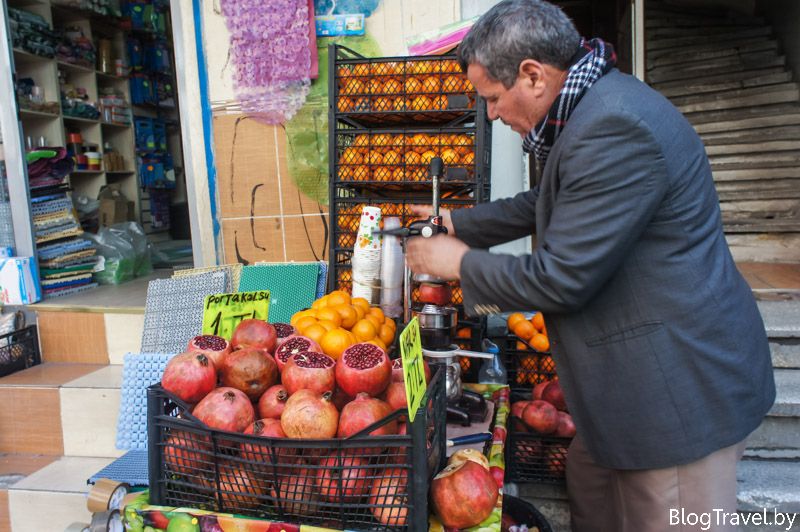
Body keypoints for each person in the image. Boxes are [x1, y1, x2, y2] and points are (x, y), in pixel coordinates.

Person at [405, 1, 776, 530]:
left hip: (674, 397)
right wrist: (458, 223)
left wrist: (459, 262)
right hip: (625, 396)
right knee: (590, 491)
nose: (490, 114)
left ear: (532, 75)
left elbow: (562, 278)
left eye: (491, 97)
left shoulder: (615, 127)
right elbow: (547, 202)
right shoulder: (591, 109)